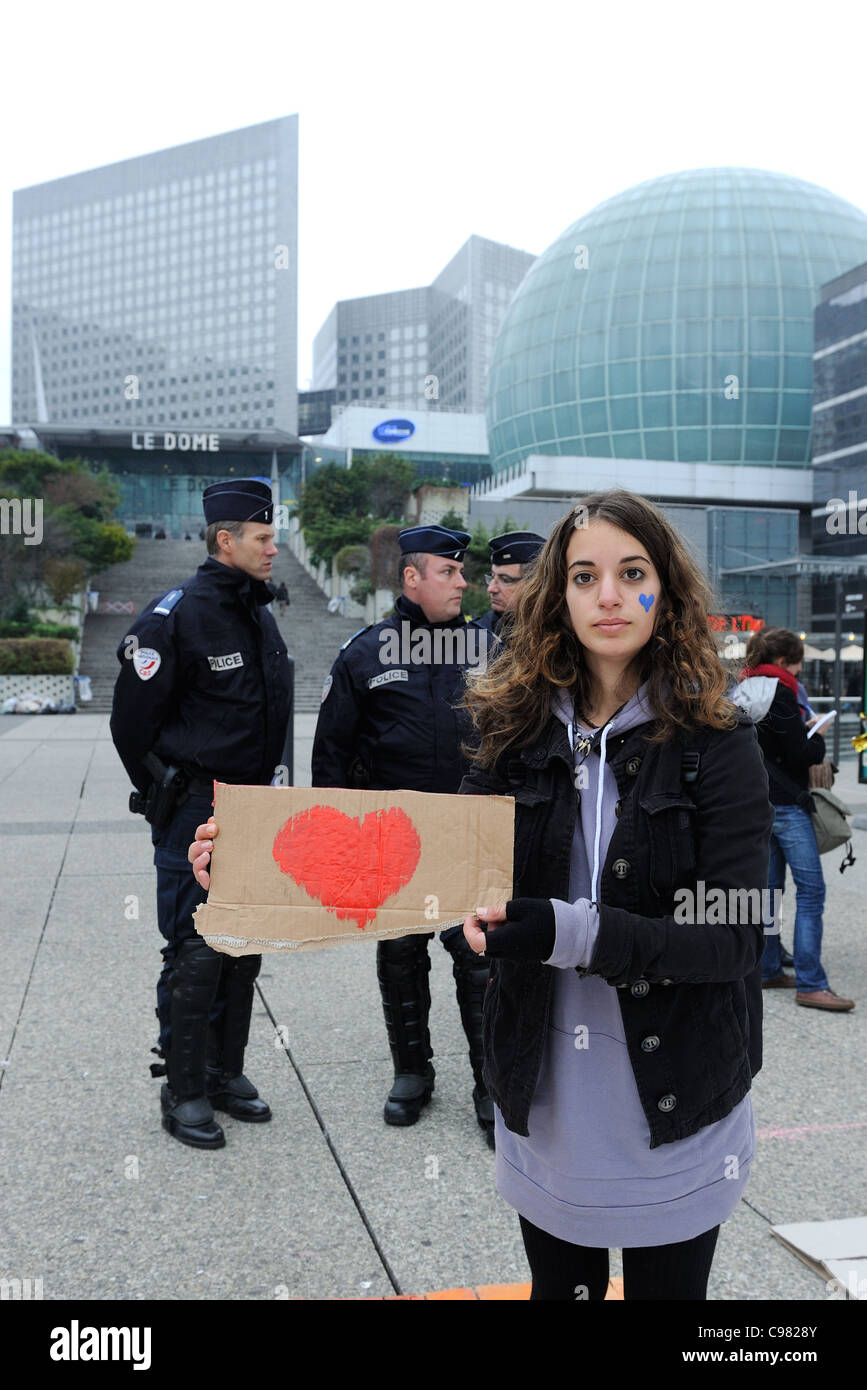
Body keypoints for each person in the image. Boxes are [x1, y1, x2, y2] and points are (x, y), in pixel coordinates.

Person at [457, 489, 774, 1300]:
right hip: (546, 1100)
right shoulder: (509, 732)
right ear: (556, 598)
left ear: (663, 591)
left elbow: (735, 935)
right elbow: (441, 886)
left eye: (631, 573)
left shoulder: (719, 742)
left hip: (671, 1101)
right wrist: (253, 859)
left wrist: (574, 932)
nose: (607, 596)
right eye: (583, 575)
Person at [110, 478, 293, 1149]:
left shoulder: (257, 612)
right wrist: (167, 794)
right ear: (226, 540)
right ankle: (183, 1088)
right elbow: (131, 724)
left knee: (240, 948)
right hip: (195, 808)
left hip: (254, 808)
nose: (275, 548)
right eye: (264, 538)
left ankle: (223, 1072)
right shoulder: (174, 616)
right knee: (194, 950)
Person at [732, 628, 855, 1012]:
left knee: (768, 894)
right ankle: (811, 982)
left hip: (755, 805)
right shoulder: (781, 692)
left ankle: (768, 969)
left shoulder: (743, 691)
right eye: (799, 662)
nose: (800, 671)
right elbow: (801, 752)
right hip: (786, 805)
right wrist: (819, 735)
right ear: (785, 661)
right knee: (811, 891)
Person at [476, 531, 545, 637]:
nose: (491, 588)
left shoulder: (568, 634)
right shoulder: (477, 637)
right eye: (492, 577)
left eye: (505, 579)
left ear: (535, 584)